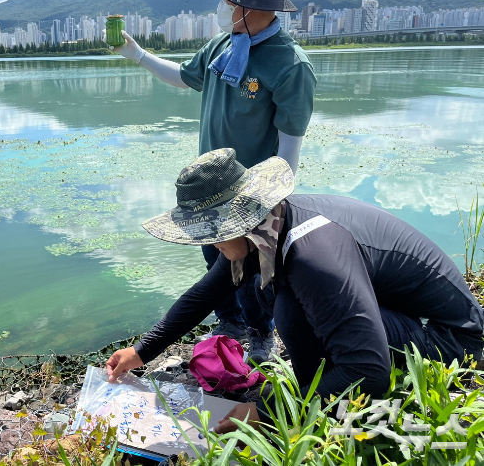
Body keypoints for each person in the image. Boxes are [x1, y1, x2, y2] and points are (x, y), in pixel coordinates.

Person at [105, 148, 484, 433]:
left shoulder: (314, 257)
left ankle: (323, 408)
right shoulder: (269, 225)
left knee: (290, 308)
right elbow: (204, 294)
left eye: (214, 235)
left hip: (452, 342)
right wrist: (142, 351)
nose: (210, 245)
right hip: (401, 315)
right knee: (284, 301)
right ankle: (319, 391)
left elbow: (369, 369)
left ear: (241, 221)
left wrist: (266, 414)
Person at [112, 0, 317, 361]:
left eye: (228, 1)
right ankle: (228, 322)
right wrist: (136, 54)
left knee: (255, 270)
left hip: (251, 193)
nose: (222, 8)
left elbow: (289, 150)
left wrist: (264, 205)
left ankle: (261, 333)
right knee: (215, 258)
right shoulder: (224, 45)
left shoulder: (290, 66)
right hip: (212, 187)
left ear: (248, 5)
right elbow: (184, 77)